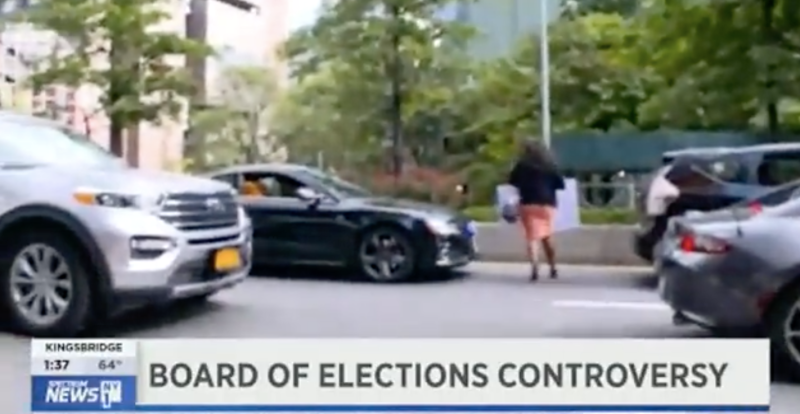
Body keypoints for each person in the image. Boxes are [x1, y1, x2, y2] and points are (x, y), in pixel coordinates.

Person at [508, 139, 565, 281]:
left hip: (527, 203)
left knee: (532, 237)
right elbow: (560, 184)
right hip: (547, 204)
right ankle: (553, 267)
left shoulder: (522, 165)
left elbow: (512, 181)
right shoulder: (550, 165)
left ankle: (534, 266)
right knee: (547, 236)